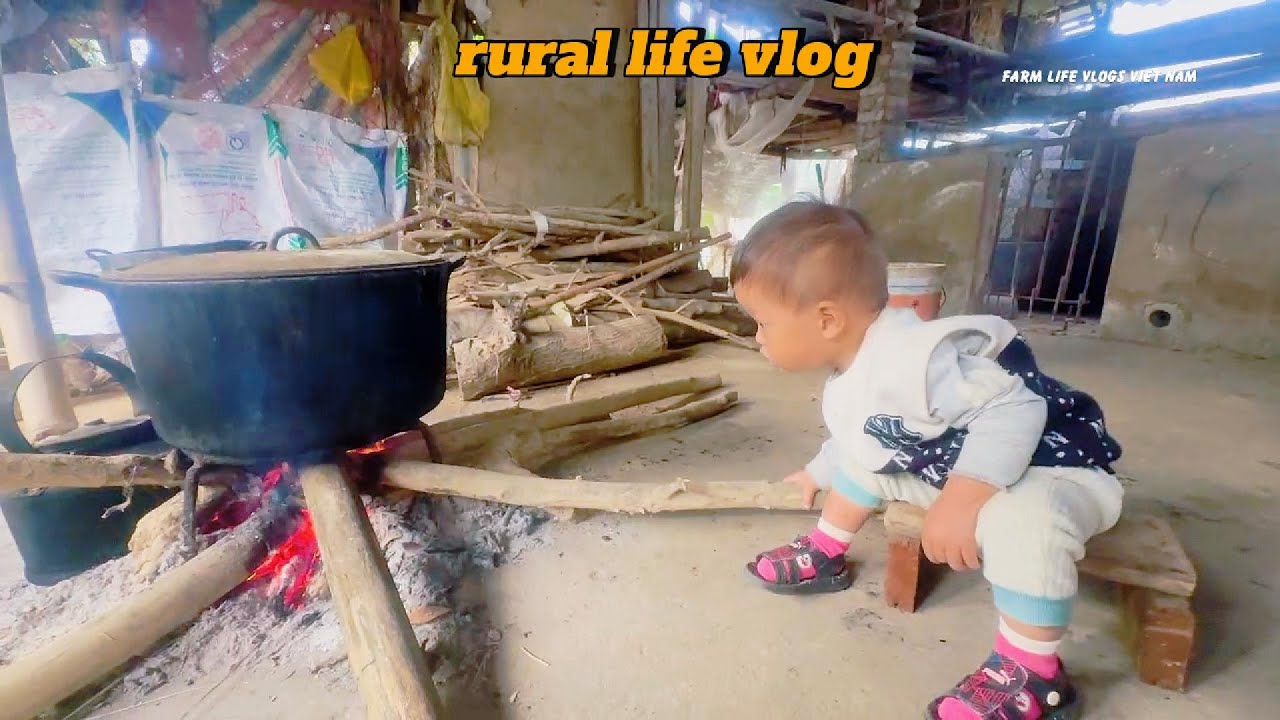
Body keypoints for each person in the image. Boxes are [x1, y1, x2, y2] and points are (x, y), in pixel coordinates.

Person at [732, 201, 1123, 720]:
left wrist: (963, 500)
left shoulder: (913, 359)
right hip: (964, 464)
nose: (757, 337)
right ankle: (827, 550)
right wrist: (818, 472)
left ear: (827, 319)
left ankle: (1033, 672)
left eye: (763, 323)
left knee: (1025, 520)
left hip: (1051, 471)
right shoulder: (855, 364)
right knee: (870, 464)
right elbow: (867, 435)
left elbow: (1017, 407)